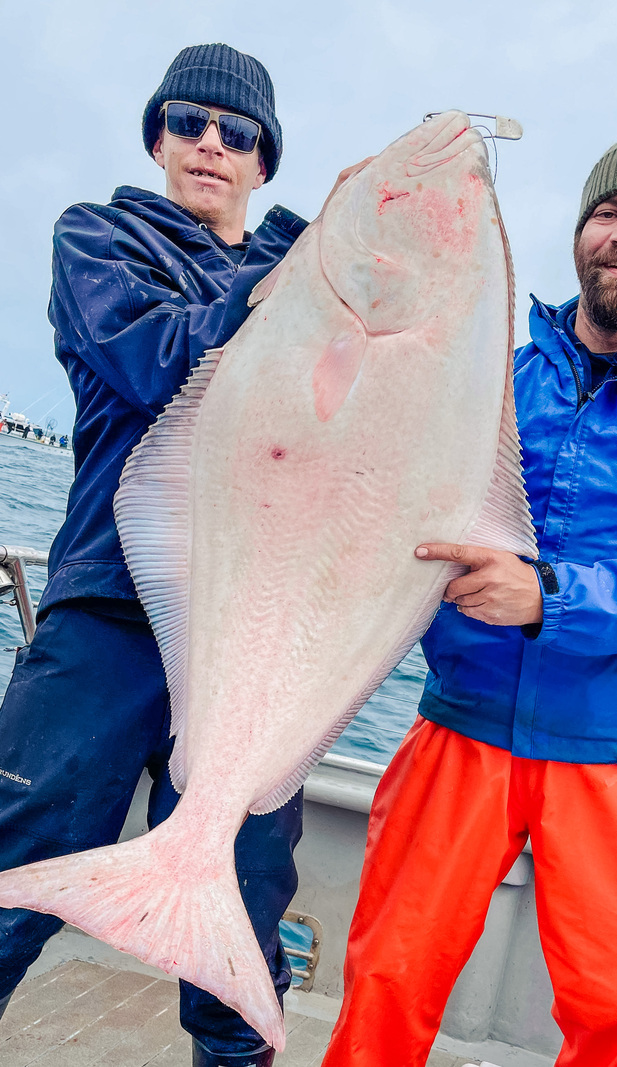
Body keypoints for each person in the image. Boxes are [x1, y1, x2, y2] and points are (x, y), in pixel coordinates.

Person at [322, 133, 617, 1067]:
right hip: (460, 725)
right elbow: (387, 455)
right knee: (385, 985)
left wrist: (550, 597)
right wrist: (343, 239)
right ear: (578, 233)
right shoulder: (497, 372)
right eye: (608, 212)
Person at [0, 43, 318, 1067]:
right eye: (189, 122)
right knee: (13, 867)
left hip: (251, 640)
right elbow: (149, 357)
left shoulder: (309, 266)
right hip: (106, 616)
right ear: (158, 138)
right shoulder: (96, 237)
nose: (211, 145)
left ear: (264, 159)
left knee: (241, 914)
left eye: (237, 132)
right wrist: (288, 296)